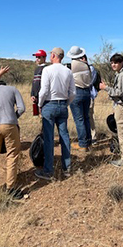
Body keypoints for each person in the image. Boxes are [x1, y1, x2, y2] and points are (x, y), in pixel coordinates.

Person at [36, 47, 76, 180]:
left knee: (49, 139)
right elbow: (73, 93)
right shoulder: (68, 71)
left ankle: (48, 171)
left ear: (53, 55)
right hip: (63, 105)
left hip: (49, 104)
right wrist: (66, 103)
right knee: (64, 136)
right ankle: (67, 168)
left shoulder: (47, 70)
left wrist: (40, 104)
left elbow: (44, 90)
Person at [100, 53, 123, 167]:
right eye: (112, 62)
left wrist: (106, 88)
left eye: (116, 62)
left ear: (121, 63)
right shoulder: (120, 74)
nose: (113, 64)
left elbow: (119, 92)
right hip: (122, 106)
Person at [67, 46, 92, 150]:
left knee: (79, 119)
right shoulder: (86, 65)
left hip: (76, 91)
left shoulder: (71, 65)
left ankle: (82, 144)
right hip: (87, 92)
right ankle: (89, 142)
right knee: (86, 118)